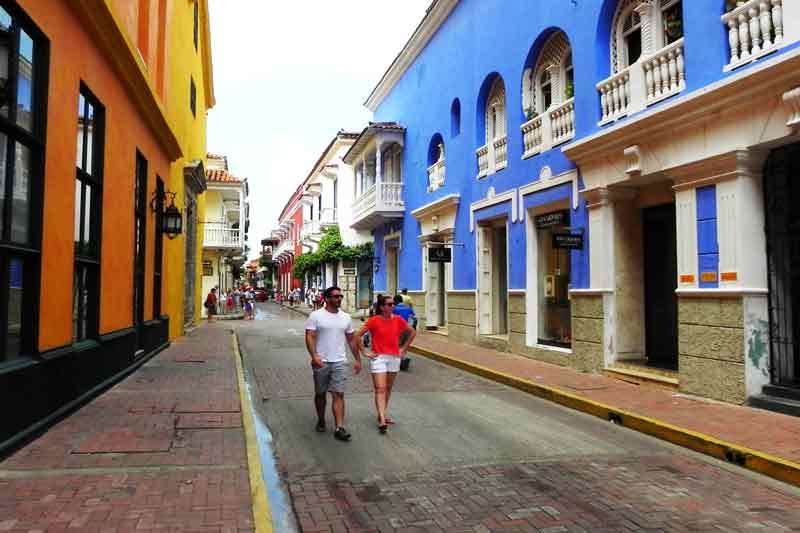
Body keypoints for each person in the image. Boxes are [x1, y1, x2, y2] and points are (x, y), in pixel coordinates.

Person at [305, 286, 362, 442]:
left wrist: (357, 359)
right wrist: (314, 355)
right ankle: (321, 419)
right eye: (336, 296)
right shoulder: (316, 316)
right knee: (320, 394)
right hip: (321, 361)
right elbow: (310, 336)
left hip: (340, 361)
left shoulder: (345, 317)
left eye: (340, 296)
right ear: (327, 298)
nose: (339, 299)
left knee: (339, 394)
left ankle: (339, 427)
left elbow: (351, 339)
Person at [356, 295, 416, 434]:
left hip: (394, 358)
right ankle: (382, 419)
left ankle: (381, 413)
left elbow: (412, 332)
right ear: (382, 307)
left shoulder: (398, 320)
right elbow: (357, 335)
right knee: (380, 388)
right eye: (389, 304)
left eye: (393, 304)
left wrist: (404, 348)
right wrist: (364, 352)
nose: (392, 306)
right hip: (379, 358)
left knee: (388, 388)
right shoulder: (374, 320)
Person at [392, 295, 416, 371]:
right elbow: (412, 317)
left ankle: (399, 361)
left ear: (395, 301)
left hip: (399, 329)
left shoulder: (394, 308)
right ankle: (402, 359)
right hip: (408, 329)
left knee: (397, 345)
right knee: (404, 345)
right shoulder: (408, 308)